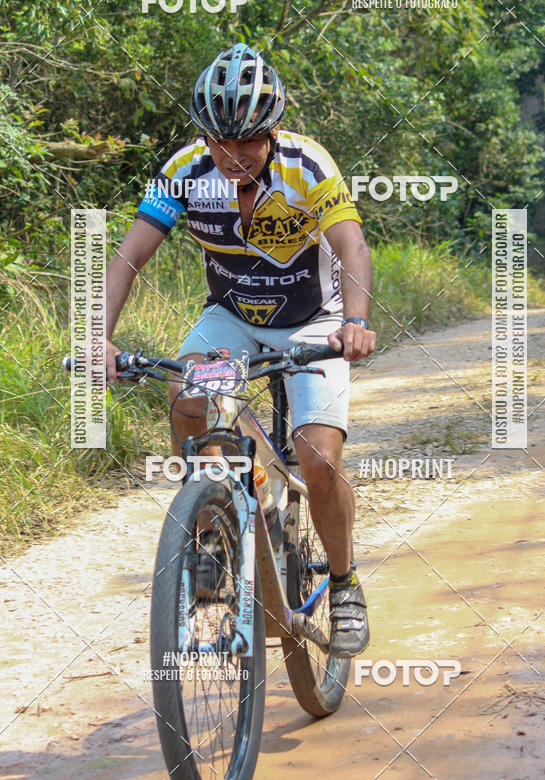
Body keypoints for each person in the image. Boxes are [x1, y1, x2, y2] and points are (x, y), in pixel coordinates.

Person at [104, 43, 376, 657]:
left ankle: (343, 583)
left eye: (248, 140)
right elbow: (129, 255)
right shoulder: (184, 172)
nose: (233, 155)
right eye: (219, 141)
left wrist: (355, 321)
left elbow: (352, 245)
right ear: (203, 137)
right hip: (232, 317)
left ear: (272, 130)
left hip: (314, 322)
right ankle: (209, 531)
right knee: (186, 393)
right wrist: (100, 336)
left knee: (318, 457)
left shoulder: (308, 166)